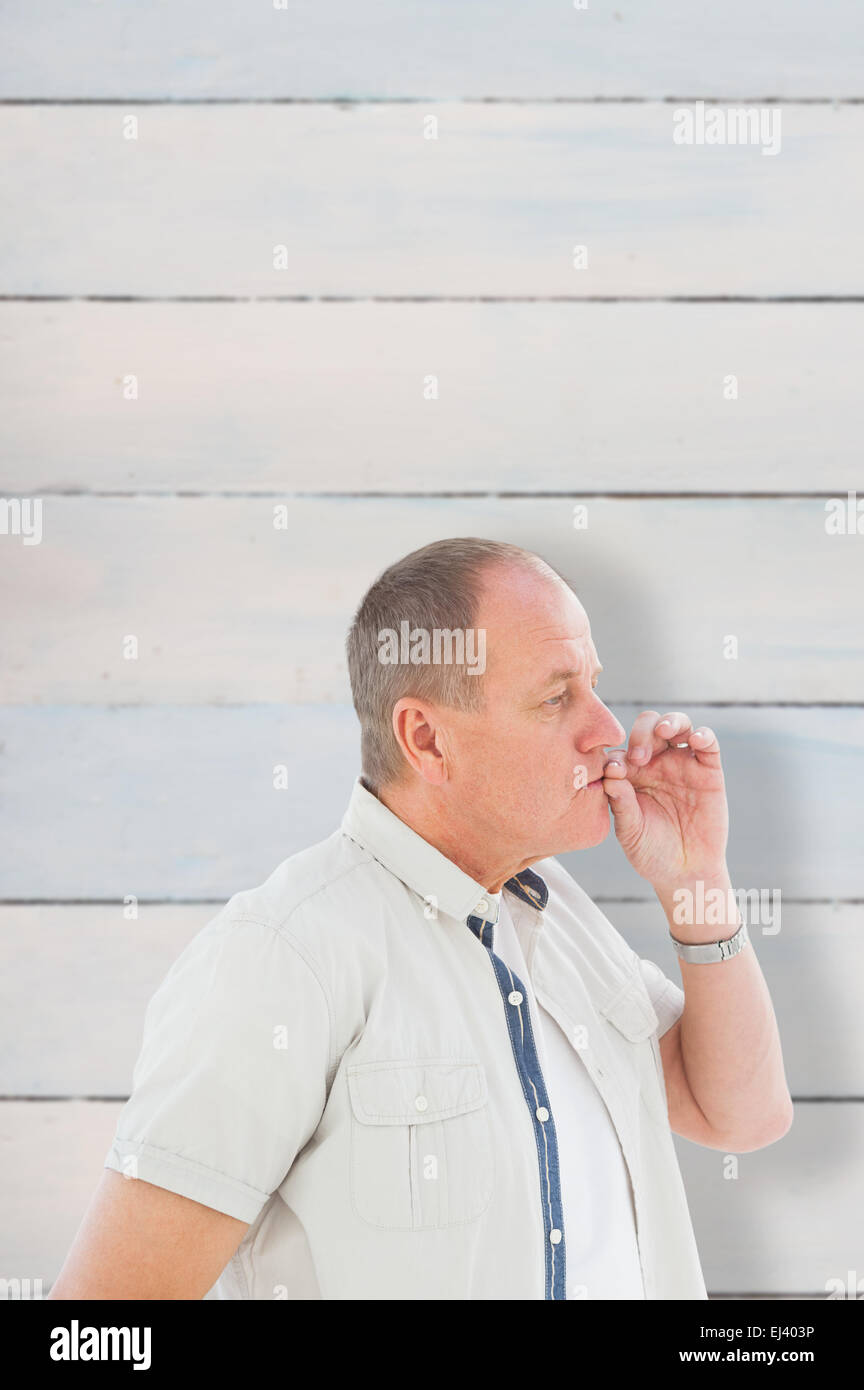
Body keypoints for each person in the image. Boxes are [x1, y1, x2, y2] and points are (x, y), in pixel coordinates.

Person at [50, 537, 792, 1300]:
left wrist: (697, 880)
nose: (607, 728)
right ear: (427, 740)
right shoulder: (283, 957)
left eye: (595, 686)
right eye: (555, 696)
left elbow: (741, 1115)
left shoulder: (560, 917)